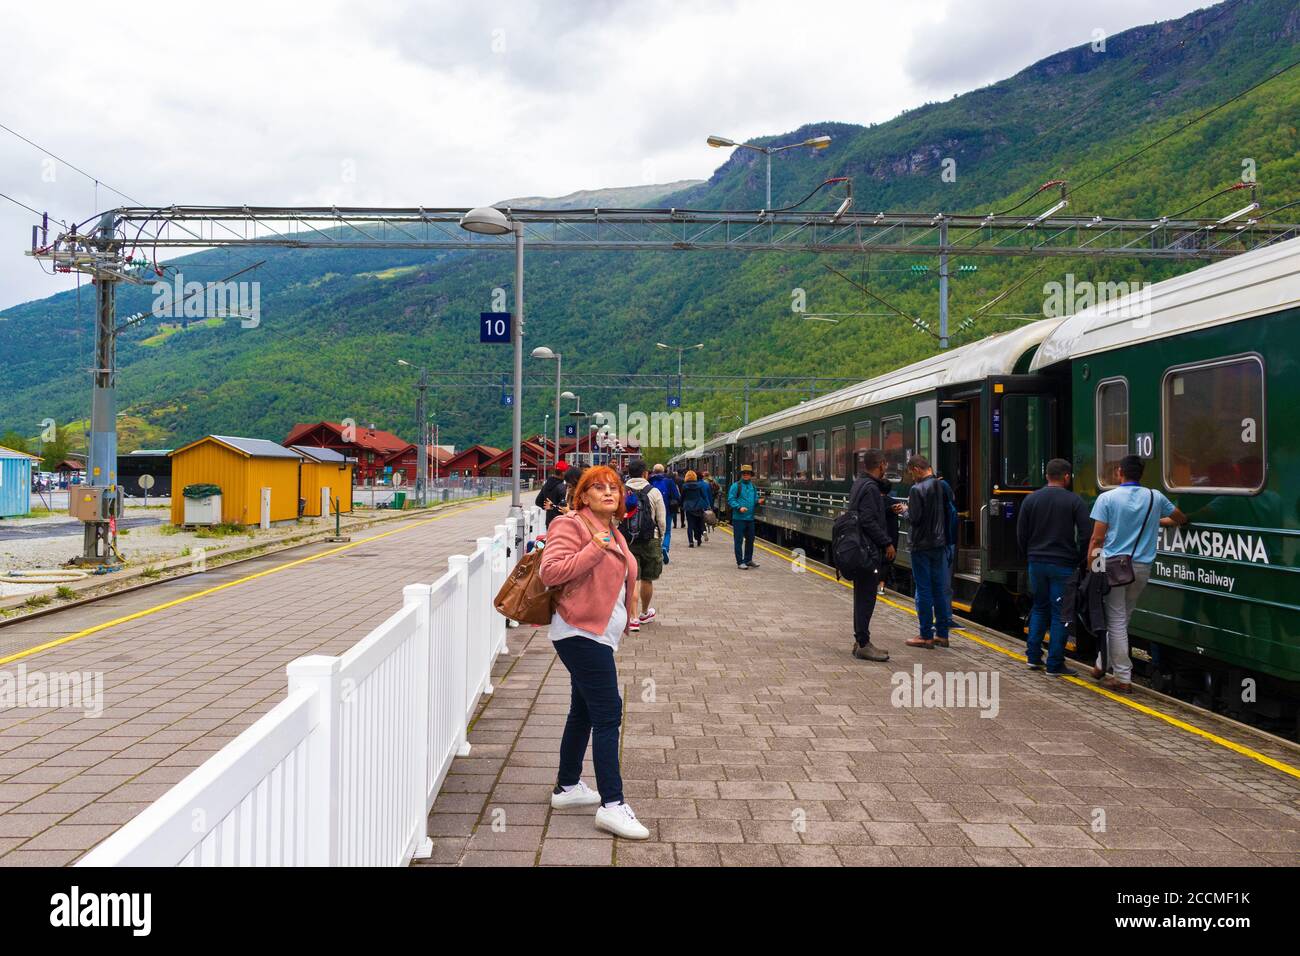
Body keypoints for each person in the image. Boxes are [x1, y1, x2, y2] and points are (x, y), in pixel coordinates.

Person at [538, 465, 649, 839]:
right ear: (582, 496)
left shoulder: (613, 530)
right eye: (597, 488)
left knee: (583, 709)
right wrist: (593, 549)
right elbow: (550, 572)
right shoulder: (571, 526)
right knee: (608, 713)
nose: (608, 493)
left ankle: (567, 787)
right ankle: (613, 806)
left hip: (600, 633)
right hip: (579, 631)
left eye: (613, 488)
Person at [1086, 454, 1188, 692]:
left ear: (1120, 472)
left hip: (1113, 566)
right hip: (1141, 568)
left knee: (1117, 620)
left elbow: (1097, 538)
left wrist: (1091, 565)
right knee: (1123, 617)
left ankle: (1122, 677)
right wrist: (1155, 522)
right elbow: (1179, 518)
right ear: (1140, 474)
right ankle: (1102, 663)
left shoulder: (1107, 498)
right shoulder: (1155, 496)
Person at [1016, 458, 1091, 676]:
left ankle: (1032, 657)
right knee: (1061, 614)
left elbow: (1021, 533)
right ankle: (1055, 663)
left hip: (1036, 563)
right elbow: (1086, 534)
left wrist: (1029, 555)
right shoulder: (1074, 501)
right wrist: (1079, 558)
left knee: (1039, 607)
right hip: (1063, 564)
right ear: (1066, 476)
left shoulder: (1031, 500)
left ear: (1047, 476)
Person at [897, 454, 953, 648]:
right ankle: (942, 634)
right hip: (939, 543)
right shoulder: (941, 486)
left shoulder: (917, 489)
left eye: (912, 473)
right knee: (939, 589)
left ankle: (925, 635)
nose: (912, 478)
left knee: (924, 589)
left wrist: (904, 510)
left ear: (916, 469)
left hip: (921, 546)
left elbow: (915, 518)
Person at [846, 449, 895, 661]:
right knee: (867, 597)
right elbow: (867, 520)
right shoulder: (871, 488)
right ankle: (864, 643)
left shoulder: (859, 484)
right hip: (868, 551)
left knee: (861, 596)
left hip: (859, 549)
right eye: (886, 464)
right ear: (881, 464)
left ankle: (860, 640)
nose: (887, 468)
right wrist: (886, 543)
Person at [623, 459, 666, 626]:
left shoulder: (622, 490)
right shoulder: (653, 492)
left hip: (628, 539)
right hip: (650, 538)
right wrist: (660, 536)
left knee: (633, 578)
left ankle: (632, 618)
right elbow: (661, 519)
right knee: (647, 578)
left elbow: (614, 518)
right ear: (645, 474)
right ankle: (644, 612)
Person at [727, 464, 760, 569]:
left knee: (751, 540)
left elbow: (754, 500)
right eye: (744, 473)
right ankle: (740, 562)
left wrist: (758, 501)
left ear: (751, 475)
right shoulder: (736, 486)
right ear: (741, 475)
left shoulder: (753, 487)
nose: (746, 475)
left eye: (748, 473)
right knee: (739, 540)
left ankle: (748, 560)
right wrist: (739, 507)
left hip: (750, 518)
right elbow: (731, 499)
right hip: (739, 518)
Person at [649, 463, 680, 563]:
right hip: (667, 510)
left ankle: (655, 551)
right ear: (663, 471)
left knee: (653, 531)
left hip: (652, 510)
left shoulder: (650, 481)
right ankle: (665, 548)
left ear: (653, 471)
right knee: (667, 531)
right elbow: (676, 495)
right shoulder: (669, 482)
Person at [681, 469, 712, 547]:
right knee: (698, 524)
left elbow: (682, 497)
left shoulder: (684, 486)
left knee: (690, 526)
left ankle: (691, 542)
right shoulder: (699, 485)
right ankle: (698, 540)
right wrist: (708, 505)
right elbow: (704, 496)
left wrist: (681, 505)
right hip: (698, 507)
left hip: (688, 508)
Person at [534, 461, 569, 527]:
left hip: (549, 522)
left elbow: (538, 502)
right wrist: (552, 507)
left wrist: (547, 508)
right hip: (561, 522)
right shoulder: (562, 487)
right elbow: (563, 507)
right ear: (562, 473)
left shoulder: (546, 485)